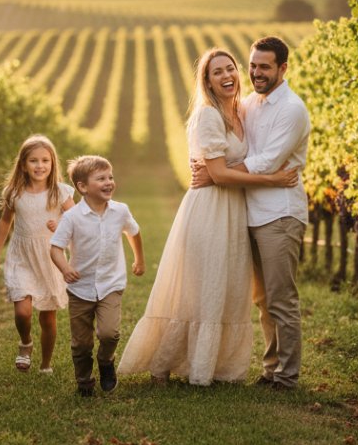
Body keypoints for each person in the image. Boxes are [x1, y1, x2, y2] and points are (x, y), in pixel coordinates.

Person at [118, 49, 299, 386]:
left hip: (234, 211)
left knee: (223, 287)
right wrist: (269, 179)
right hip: (210, 210)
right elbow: (217, 172)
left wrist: (220, 173)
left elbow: (222, 169)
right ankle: (163, 364)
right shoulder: (208, 116)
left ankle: (211, 365)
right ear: (207, 81)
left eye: (230, 68)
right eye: (217, 72)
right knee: (198, 288)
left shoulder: (241, 113)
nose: (226, 75)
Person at [192, 36, 310, 390]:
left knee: (281, 298)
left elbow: (268, 161)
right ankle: (270, 368)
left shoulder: (292, 109)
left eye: (265, 67)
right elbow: (220, 141)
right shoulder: (248, 104)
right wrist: (206, 166)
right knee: (261, 300)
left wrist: (216, 178)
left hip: (280, 213)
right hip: (249, 212)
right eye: (253, 66)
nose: (256, 73)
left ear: (283, 68)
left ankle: (287, 377)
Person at [49, 155, 145, 397]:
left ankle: (105, 361)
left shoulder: (120, 211)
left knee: (109, 333)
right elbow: (55, 248)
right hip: (80, 288)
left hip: (111, 284)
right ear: (82, 187)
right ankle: (83, 380)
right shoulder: (71, 217)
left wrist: (139, 259)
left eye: (110, 177)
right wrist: (65, 268)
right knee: (81, 343)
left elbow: (134, 232)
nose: (109, 182)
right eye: (100, 178)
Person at [0, 134, 74, 373]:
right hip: (22, 256)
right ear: (23, 165)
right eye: (33, 161)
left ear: (52, 163)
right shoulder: (14, 193)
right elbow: (5, 222)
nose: (40, 166)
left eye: (45, 160)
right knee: (23, 311)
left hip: (50, 258)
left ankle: (46, 364)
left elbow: (76, 219)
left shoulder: (60, 192)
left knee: (48, 318)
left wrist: (62, 226)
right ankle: (25, 342)